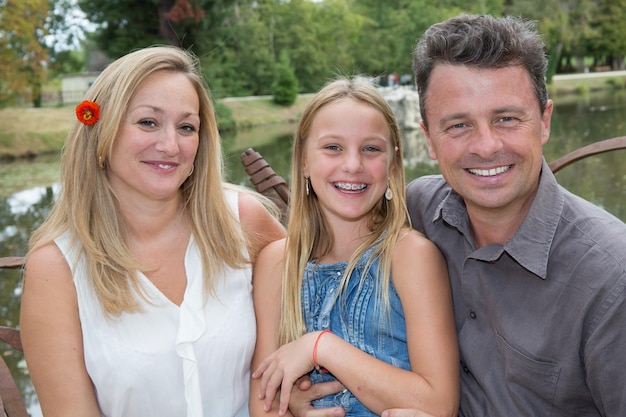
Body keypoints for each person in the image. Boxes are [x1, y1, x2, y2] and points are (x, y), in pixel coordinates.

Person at [20, 46, 285, 417]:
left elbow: (321, 308)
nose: (170, 145)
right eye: (147, 122)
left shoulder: (242, 221)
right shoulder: (57, 268)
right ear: (101, 131)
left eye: (186, 127)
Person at [383, 13, 626, 417]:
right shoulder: (417, 211)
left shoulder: (611, 279)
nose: (485, 145)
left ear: (544, 121)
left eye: (507, 119)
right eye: (459, 125)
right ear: (428, 139)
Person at [249, 78, 459, 417]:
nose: (352, 165)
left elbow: (439, 404)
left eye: (371, 149)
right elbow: (263, 403)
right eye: (333, 147)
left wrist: (322, 347)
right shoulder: (277, 263)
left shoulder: (410, 257)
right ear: (304, 160)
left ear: (392, 163)